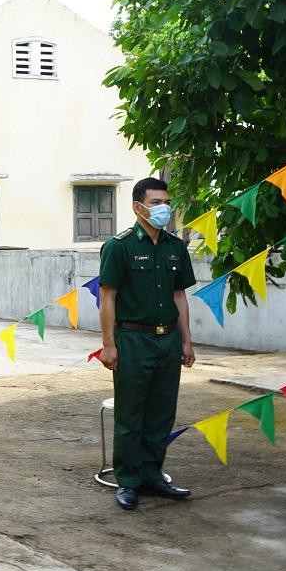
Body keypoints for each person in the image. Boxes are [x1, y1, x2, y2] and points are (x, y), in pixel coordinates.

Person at [99, 177, 197, 511]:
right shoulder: (119, 247)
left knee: (161, 413)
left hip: (167, 339)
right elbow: (107, 298)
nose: (163, 208)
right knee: (130, 414)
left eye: (165, 202)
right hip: (132, 339)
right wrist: (108, 344)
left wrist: (186, 340)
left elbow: (179, 295)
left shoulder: (175, 246)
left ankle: (153, 476)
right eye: (156, 203)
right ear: (137, 206)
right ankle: (128, 482)